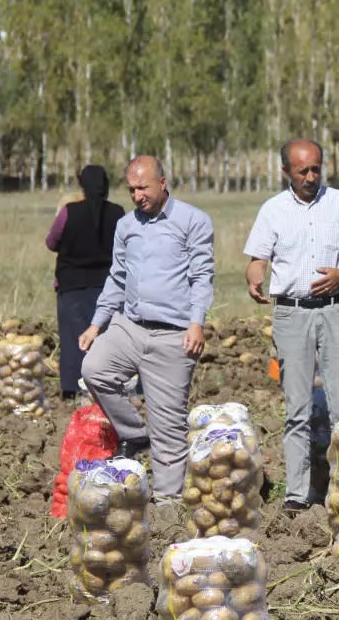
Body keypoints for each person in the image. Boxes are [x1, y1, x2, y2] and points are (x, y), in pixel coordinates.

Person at [244, 139, 339, 514]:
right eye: (303, 171)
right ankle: (297, 494)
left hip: (335, 311)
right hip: (292, 315)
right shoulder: (272, 210)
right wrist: (254, 278)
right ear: (286, 172)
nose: (311, 177)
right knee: (297, 409)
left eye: (316, 169)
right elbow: (257, 259)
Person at [79, 156, 214, 502]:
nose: (138, 195)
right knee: (94, 369)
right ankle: (134, 434)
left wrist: (197, 324)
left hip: (173, 334)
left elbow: (202, 278)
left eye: (143, 188)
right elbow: (117, 277)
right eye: (132, 190)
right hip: (129, 326)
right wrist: (97, 324)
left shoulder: (194, 221)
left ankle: (167, 504)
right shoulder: (126, 226)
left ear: (163, 182)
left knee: (169, 429)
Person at [46, 165, 125, 400]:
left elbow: (52, 242)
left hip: (71, 286)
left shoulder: (69, 212)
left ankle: (71, 389)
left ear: (83, 186)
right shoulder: (117, 213)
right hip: (108, 287)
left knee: (73, 339)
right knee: (106, 338)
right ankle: (106, 387)